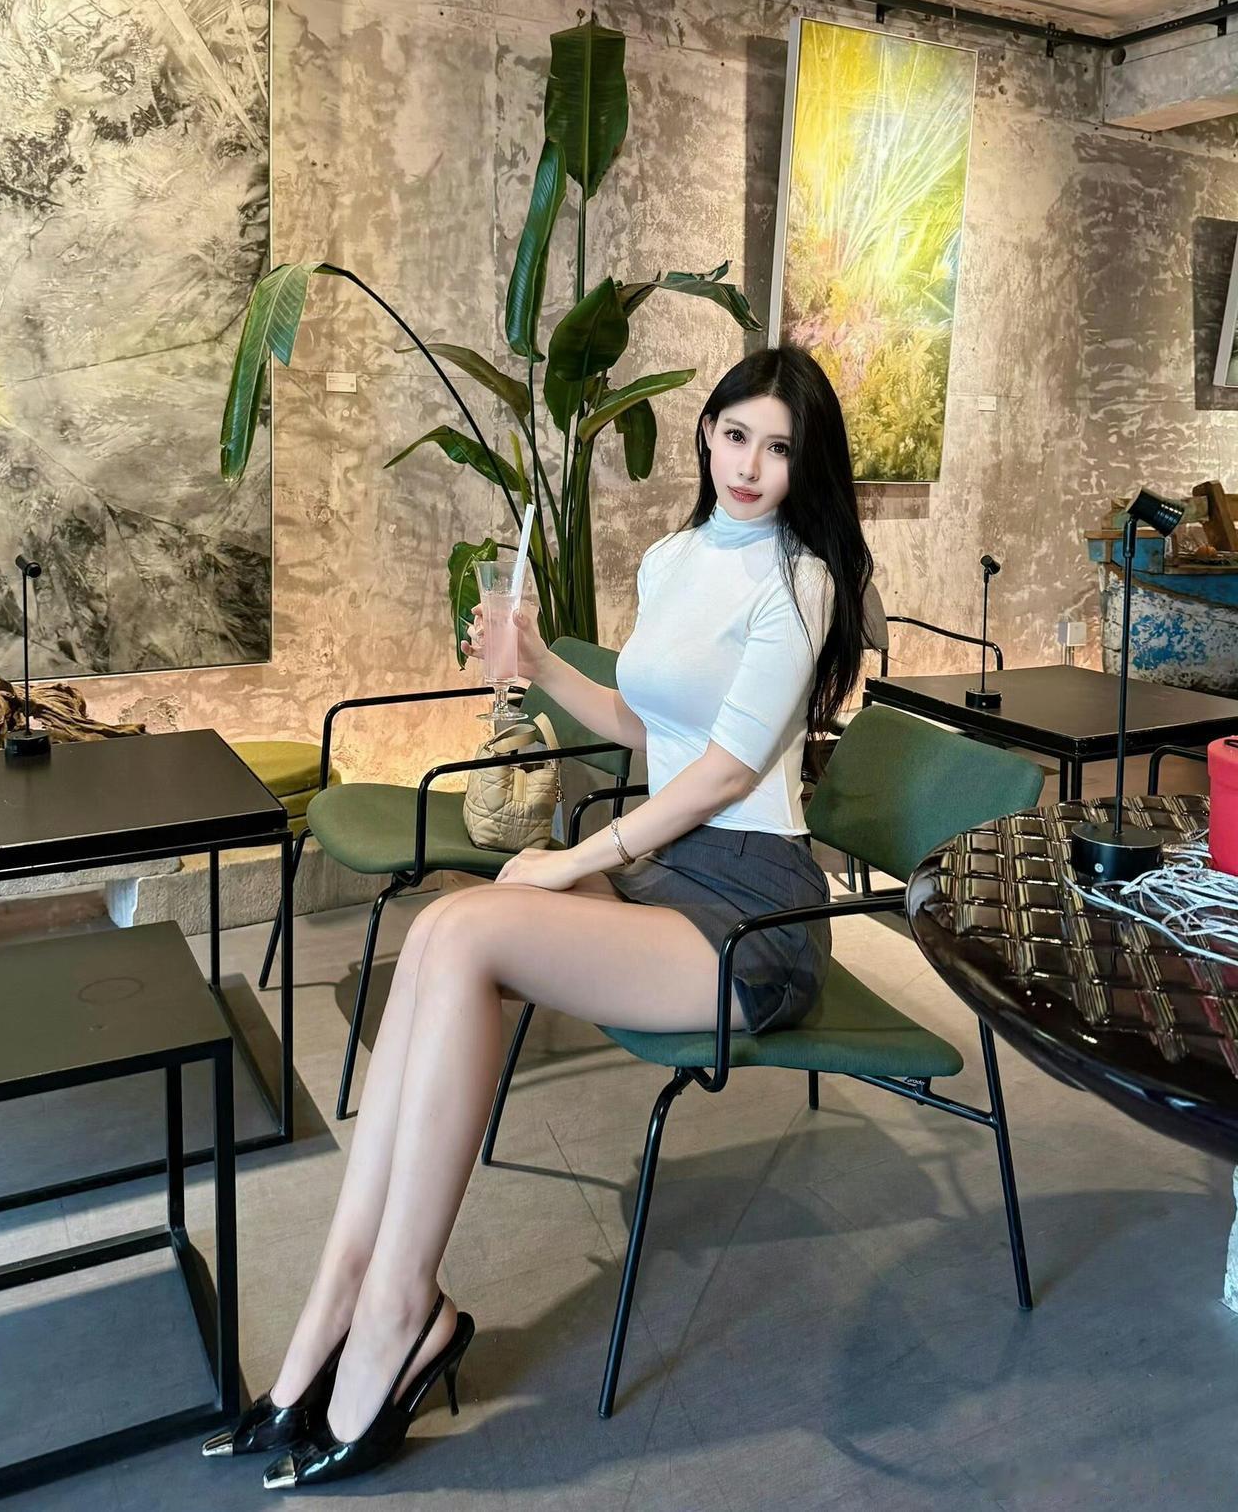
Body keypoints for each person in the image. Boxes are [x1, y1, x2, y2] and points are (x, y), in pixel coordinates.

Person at [201, 344, 874, 1489]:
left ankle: (400, 1311)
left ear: (803, 465)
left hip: (750, 912)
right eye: (734, 434)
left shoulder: (799, 579)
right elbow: (656, 731)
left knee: (471, 925)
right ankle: (337, 1301)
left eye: (778, 447)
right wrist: (538, 664)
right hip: (667, 876)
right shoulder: (672, 557)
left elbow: (721, 772)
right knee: (440, 930)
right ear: (706, 431)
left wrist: (573, 861)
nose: (749, 464)